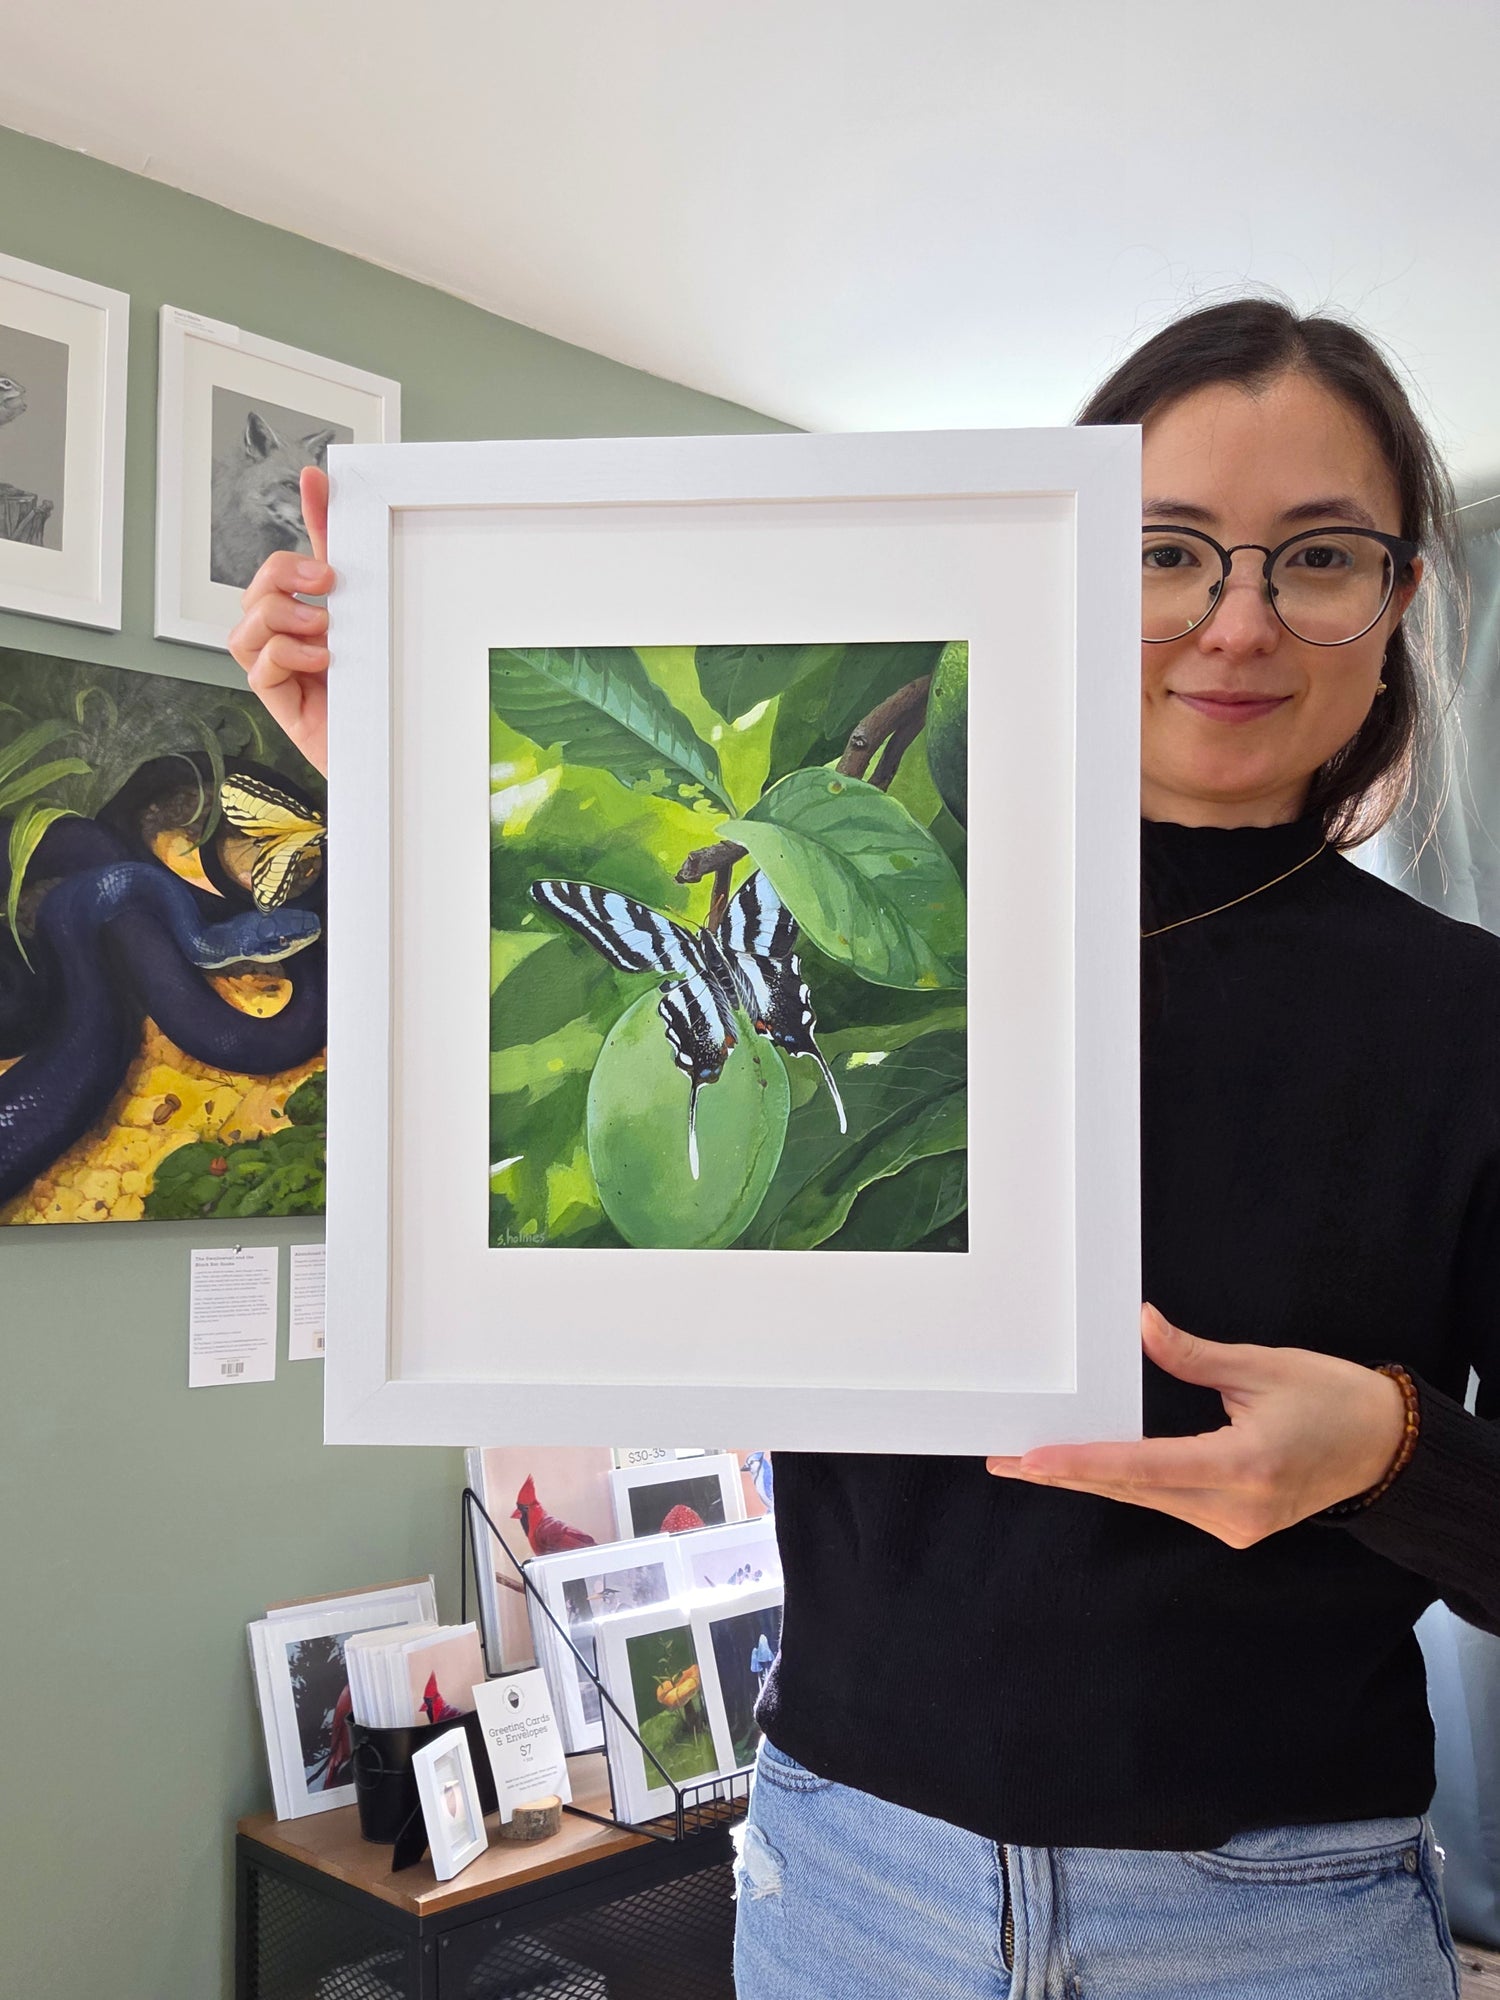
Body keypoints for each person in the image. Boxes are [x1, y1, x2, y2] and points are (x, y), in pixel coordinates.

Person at [231, 298, 1499, 1999]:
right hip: (851, 1881)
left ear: (1401, 593)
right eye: (1167, 550)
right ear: (1061, 570)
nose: (1237, 621)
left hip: (1272, 1911)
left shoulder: (1462, 1015)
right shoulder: (890, 926)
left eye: (1319, 556)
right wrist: (400, 808)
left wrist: (1393, 1452)